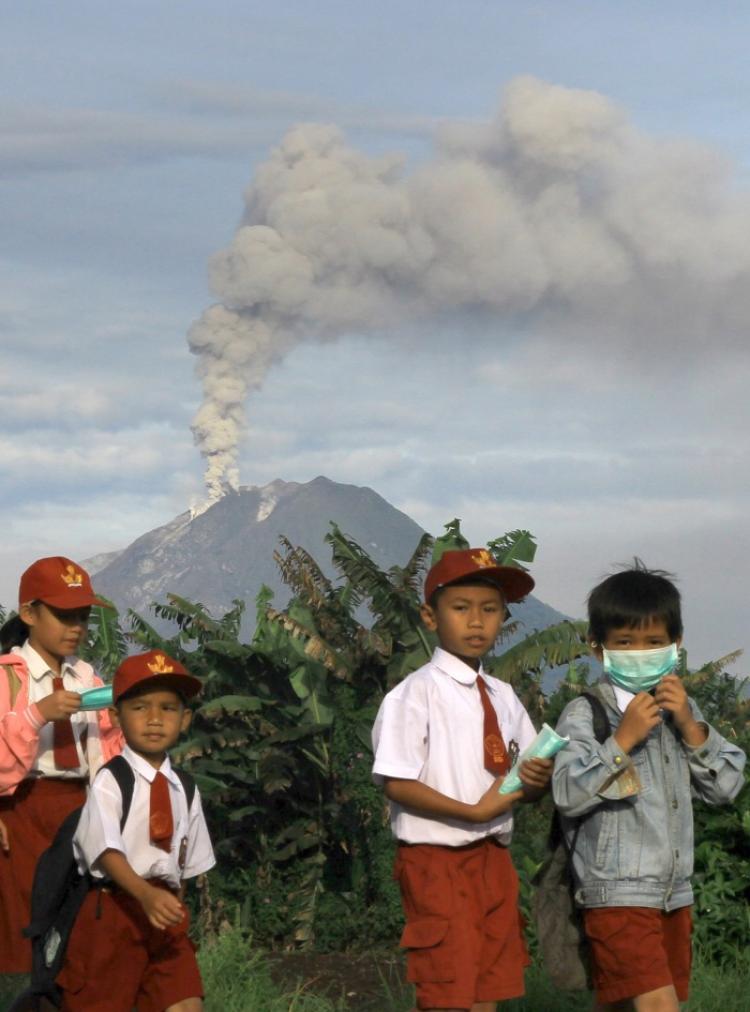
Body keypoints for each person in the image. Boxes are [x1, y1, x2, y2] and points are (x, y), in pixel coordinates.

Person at [552, 561, 746, 1012]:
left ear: (675, 646)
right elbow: (566, 792)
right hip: (615, 893)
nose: (640, 651)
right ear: (599, 650)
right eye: (625, 643)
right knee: (659, 1004)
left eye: (654, 642)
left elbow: (728, 788)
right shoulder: (587, 715)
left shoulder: (682, 711)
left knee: (634, 1003)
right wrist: (621, 742)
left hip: (673, 893)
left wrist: (691, 728)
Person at [372, 548, 554, 1012]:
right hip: (437, 860)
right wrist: (474, 811)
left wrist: (535, 780)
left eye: (490, 610)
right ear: (429, 617)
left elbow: (525, 774)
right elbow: (397, 782)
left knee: (488, 988)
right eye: (461, 608)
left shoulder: (504, 695)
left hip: (493, 858)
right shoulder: (414, 694)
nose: (477, 622)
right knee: (447, 990)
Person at [57, 649, 215, 1012]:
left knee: (185, 1001)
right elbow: (105, 850)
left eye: (168, 708)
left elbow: (187, 863)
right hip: (114, 911)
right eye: (140, 708)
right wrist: (144, 894)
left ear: (186, 719)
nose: (155, 719)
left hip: (163, 913)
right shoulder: (111, 781)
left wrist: (169, 902)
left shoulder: (186, 788)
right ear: (115, 716)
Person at [0, 556, 123, 973]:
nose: (76, 627)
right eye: (64, 615)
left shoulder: (88, 678)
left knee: (78, 926)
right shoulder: (6, 678)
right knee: (24, 928)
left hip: (82, 811)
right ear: (29, 613)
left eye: (83, 617)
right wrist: (37, 714)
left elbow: (106, 752)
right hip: (23, 811)